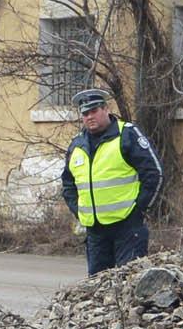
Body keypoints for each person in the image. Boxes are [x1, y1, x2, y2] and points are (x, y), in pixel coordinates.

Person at [58, 89, 162, 276]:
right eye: (85, 113)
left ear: (106, 109)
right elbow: (68, 184)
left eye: (94, 111)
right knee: (98, 291)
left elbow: (154, 174)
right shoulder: (77, 145)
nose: (89, 117)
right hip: (96, 232)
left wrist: (139, 209)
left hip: (127, 228)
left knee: (128, 285)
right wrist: (80, 212)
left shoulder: (127, 135)